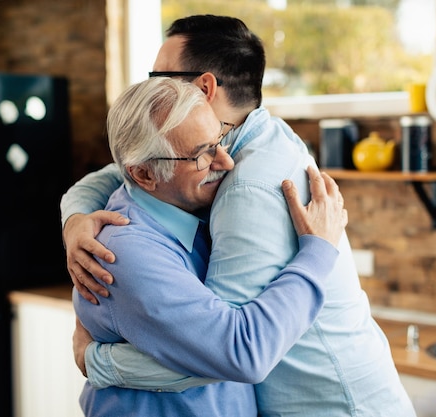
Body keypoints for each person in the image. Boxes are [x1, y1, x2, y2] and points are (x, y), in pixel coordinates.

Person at [62, 15, 416, 417]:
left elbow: (237, 351)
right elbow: (116, 173)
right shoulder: (243, 137)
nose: (152, 89)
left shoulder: (244, 185)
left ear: (202, 87)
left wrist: (98, 360)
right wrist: (76, 220)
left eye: (160, 76)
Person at [73, 75, 347, 416]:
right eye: (203, 155)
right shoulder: (123, 254)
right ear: (144, 175)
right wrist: (318, 251)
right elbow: (244, 353)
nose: (226, 162)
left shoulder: (183, 205)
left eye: (220, 140)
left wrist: (100, 360)